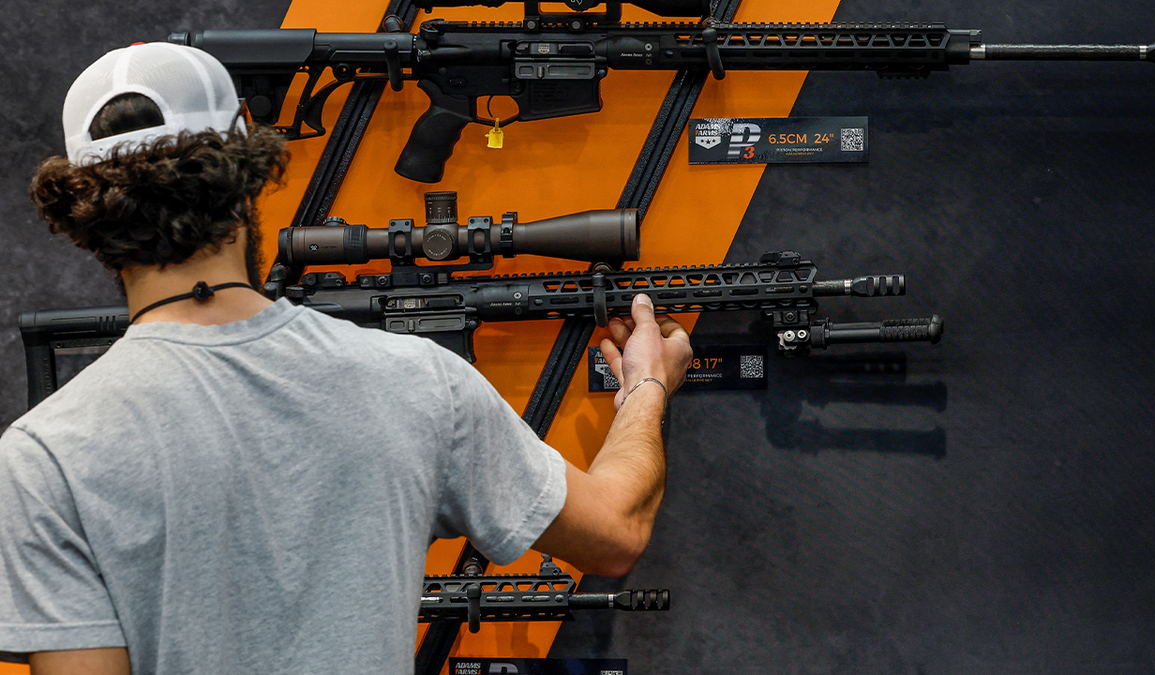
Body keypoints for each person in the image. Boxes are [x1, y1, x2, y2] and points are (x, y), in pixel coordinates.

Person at [0, 42, 692, 675]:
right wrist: (645, 385)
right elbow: (614, 530)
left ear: (83, 210)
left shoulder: (46, 455)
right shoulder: (417, 382)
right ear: (247, 170)